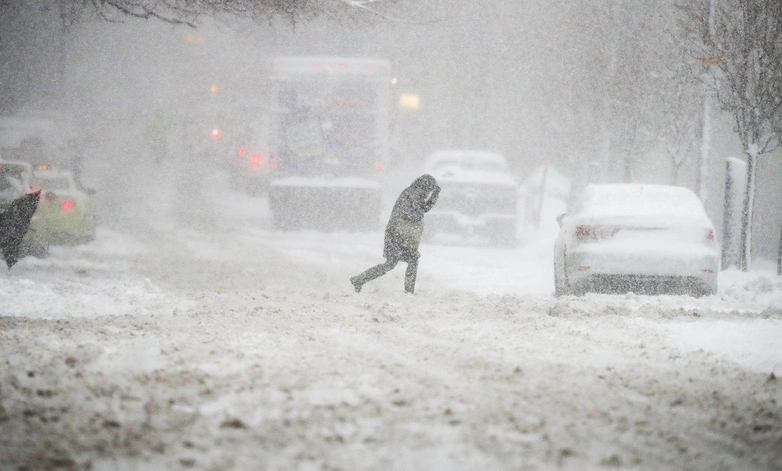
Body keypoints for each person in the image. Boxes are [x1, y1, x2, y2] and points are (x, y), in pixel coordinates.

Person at [351, 174, 441, 294]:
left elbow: (424, 208)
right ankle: (360, 280)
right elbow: (415, 212)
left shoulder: (414, 194)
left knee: (404, 261)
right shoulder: (410, 195)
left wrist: (434, 196)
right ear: (424, 187)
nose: (428, 193)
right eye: (429, 190)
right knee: (395, 263)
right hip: (396, 235)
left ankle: (360, 279)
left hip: (403, 235)